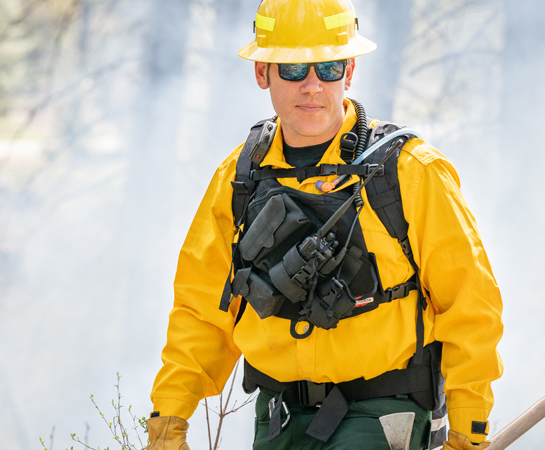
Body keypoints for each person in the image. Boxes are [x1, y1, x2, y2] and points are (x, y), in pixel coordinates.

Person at [145, 0, 503, 449]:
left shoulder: (410, 172)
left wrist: (469, 432)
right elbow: (201, 313)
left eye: (328, 67)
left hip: (381, 414)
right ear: (263, 73)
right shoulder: (238, 182)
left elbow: (470, 306)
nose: (312, 85)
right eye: (294, 70)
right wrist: (169, 419)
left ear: (349, 71)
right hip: (278, 421)